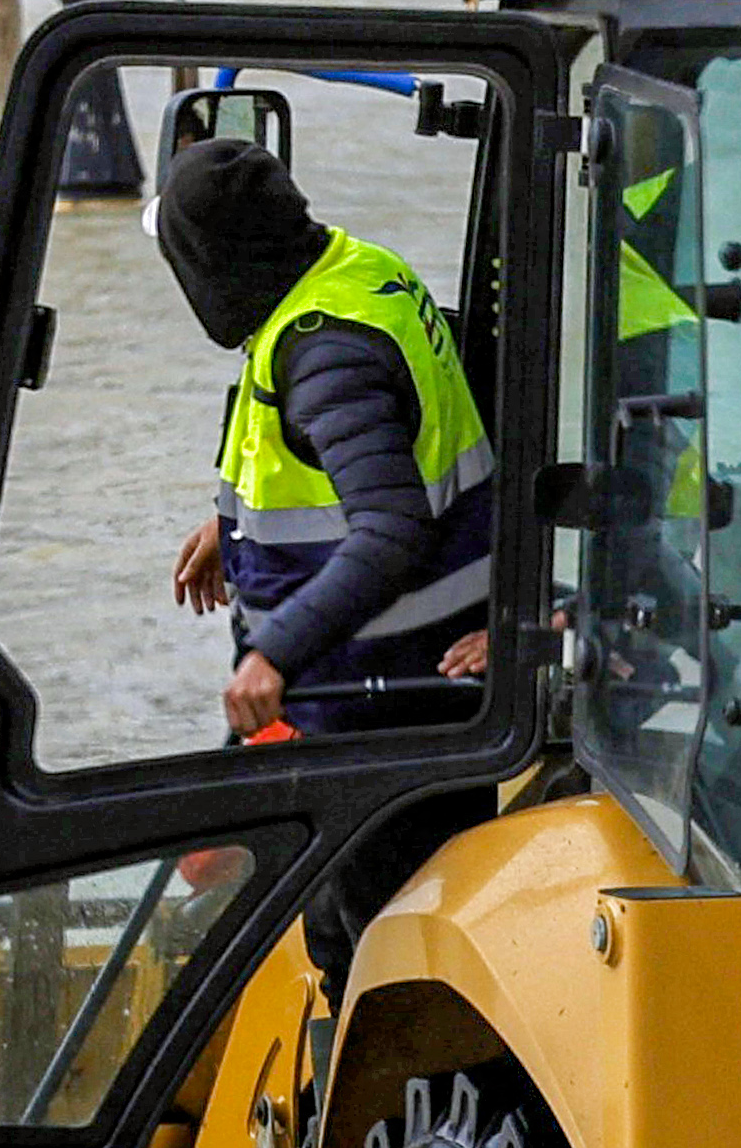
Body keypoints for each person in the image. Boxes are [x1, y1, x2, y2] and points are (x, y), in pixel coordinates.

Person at [158, 134, 496, 739]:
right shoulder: (359, 272)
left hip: (367, 696)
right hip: (379, 669)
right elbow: (369, 452)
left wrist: (273, 655)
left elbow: (391, 531)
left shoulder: (327, 355)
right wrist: (231, 530)